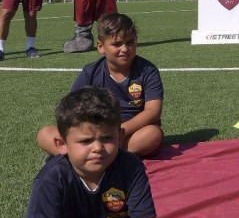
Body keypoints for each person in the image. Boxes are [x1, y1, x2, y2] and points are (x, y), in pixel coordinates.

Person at [0, 87, 180, 218]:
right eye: (85, 141)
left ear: (120, 136)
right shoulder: (51, 178)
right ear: (61, 144)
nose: (97, 148)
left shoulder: (131, 166)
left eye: (106, 138)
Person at [37, 13, 165, 158]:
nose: (124, 49)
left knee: (153, 135)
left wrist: (118, 130)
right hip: (93, 133)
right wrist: (91, 132)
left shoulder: (148, 71)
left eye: (130, 42)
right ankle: (104, 156)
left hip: (127, 134)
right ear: (100, 46)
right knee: (45, 134)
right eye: (117, 44)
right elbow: (71, 108)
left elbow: (153, 111)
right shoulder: (90, 72)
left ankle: (81, 157)